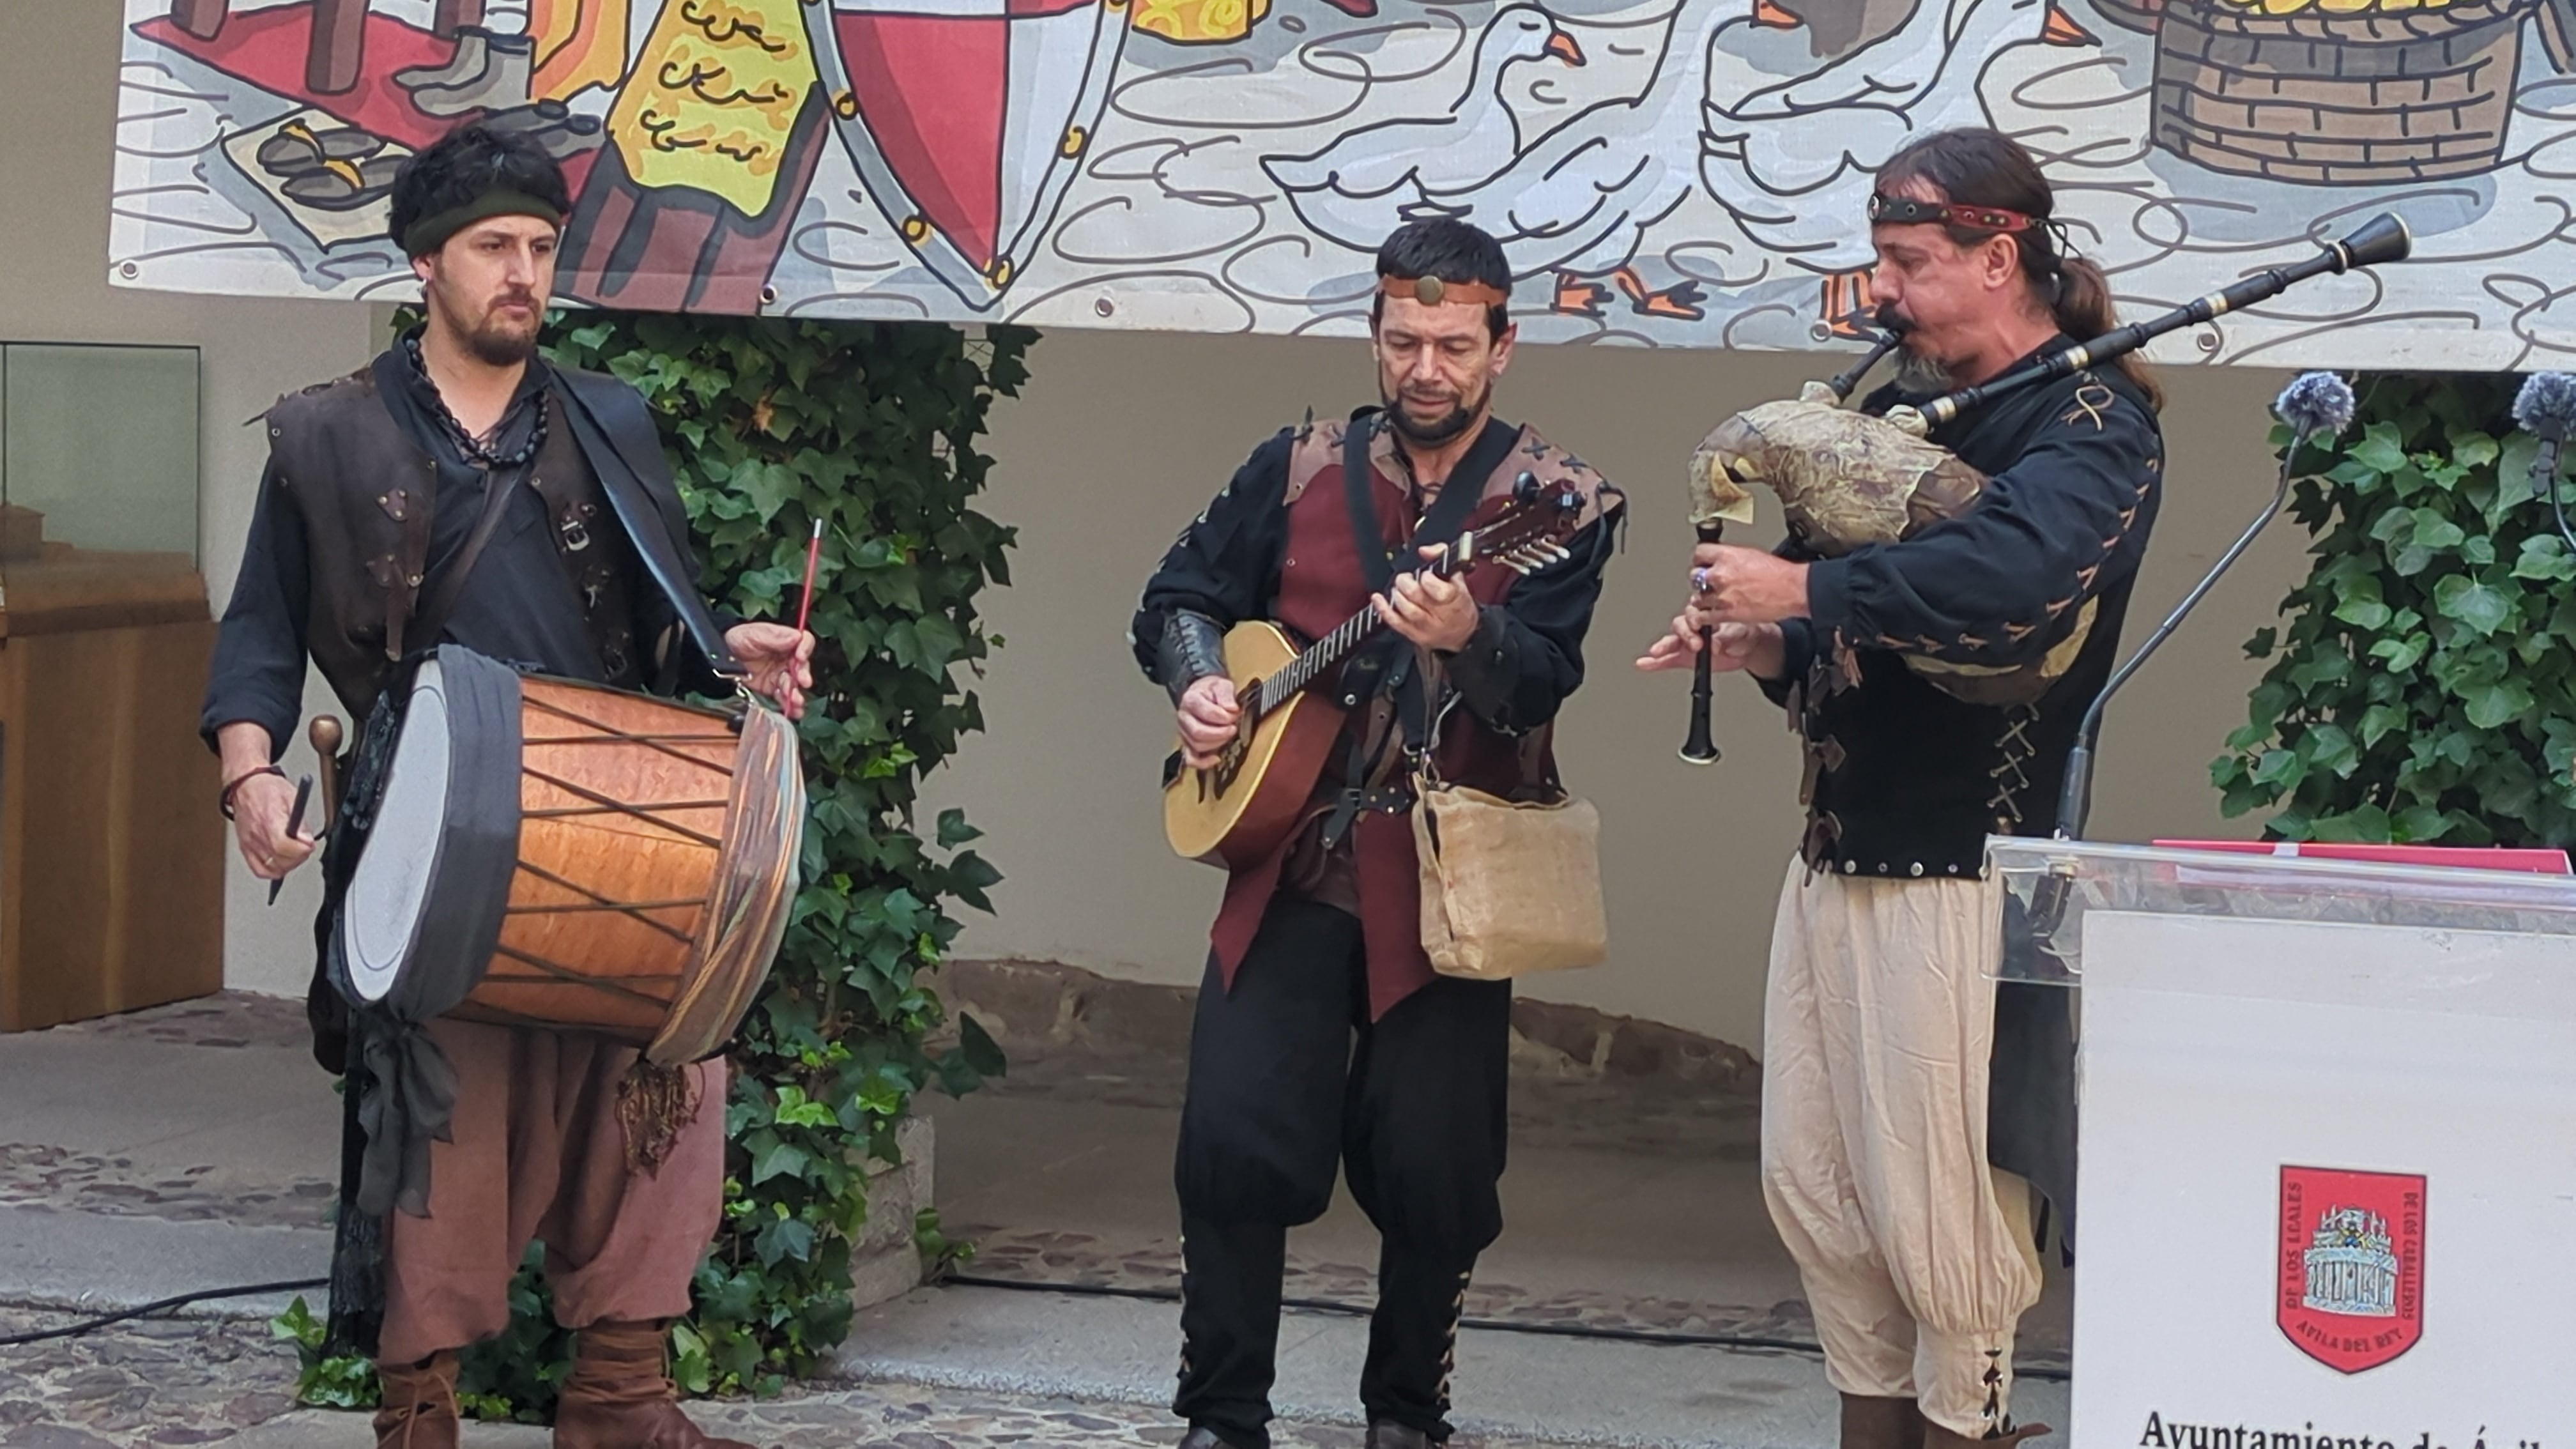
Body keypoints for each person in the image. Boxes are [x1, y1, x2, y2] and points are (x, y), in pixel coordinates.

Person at [201, 119, 813, 1449]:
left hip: (614, 832)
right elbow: (257, 637)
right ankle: (420, 1405)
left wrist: (730, 652)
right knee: (445, 1130)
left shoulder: (606, 420)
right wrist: (253, 777)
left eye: (540, 247)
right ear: (427, 263)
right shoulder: (327, 438)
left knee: (658, 1095)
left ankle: (620, 1395)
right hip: (431, 847)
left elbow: (664, 633)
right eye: (495, 247)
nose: (524, 271)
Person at [1639, 126, 2165, 1448]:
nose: (1882, 289)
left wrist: (1805, 586)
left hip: (1966, 869)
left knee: (1948, 1221)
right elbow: (1848, 630)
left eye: (1908, 261)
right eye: (1879, 258)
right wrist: (1769, 642)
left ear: (2002, 258)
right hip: (1834, 852)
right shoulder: (1900, 412)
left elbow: (2010, 588)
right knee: (1822, 1194)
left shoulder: (2095, 425)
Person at [1129, 218, 1623, 1449]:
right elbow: (1179, 597)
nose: (1426, 369)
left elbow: (1544, 680)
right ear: (1374, 335)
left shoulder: (1558, 501)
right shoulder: (1292, 466)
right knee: (1231, 1140)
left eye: (1455, 345)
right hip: (1289, 856)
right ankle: (1220, 1418)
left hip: (1450, 876)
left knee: (1436, 1170)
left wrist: (1471, 634)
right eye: (1404, 341)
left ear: (1504, 346)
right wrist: (1200, 684)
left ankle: (1407, 1418)